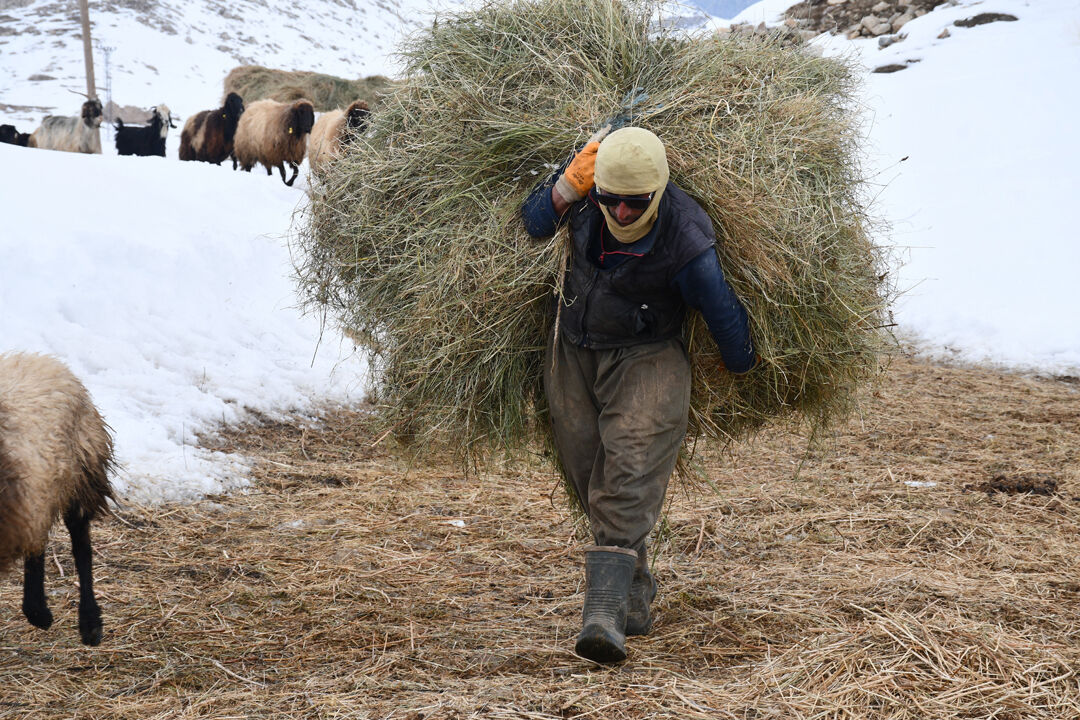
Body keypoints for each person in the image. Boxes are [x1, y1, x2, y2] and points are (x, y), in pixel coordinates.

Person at [521, 126, 756, 663]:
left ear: (658, 191)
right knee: (589, 475)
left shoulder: (687, 236)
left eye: (635, 204)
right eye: (611, 201)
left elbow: (721, 312)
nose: (622, 215)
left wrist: (743, 363)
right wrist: (565, 189)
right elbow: (533, 224)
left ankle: (602, 615)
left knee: (627, 468)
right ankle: (634, 594)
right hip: (575, 349)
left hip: (648, 357)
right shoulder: (588, 194)